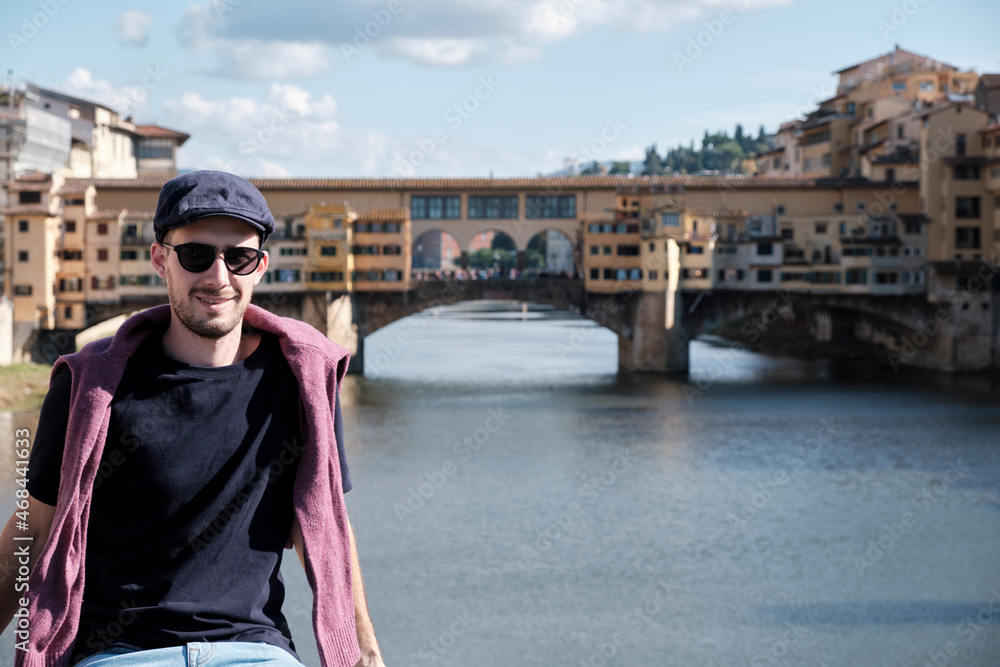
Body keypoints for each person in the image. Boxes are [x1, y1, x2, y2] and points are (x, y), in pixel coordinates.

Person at [0, 171, 387, 667]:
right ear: (162, 259)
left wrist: (366, 654)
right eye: (197, 255)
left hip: (255, 652)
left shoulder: (304, 379)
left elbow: (326, 525)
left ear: (260, 266)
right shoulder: (89, 385)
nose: (218, 277)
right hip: (121, 653)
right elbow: (33, 531)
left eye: (239, 257)